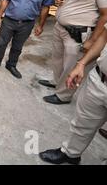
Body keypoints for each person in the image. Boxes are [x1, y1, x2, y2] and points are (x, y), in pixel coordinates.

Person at [39, 0, 107, 105]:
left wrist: (92, 41)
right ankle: (57, 82)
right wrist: (59, 1)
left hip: (78, 32)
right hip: (60, 27)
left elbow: (105, 15)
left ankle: (64, 95)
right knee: (58, 59)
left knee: (71, 65)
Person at [39, 25, 107, 165]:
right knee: (83, 122)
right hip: (99, 79)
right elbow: (104, 37)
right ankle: (71, 154)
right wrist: (82, 63)